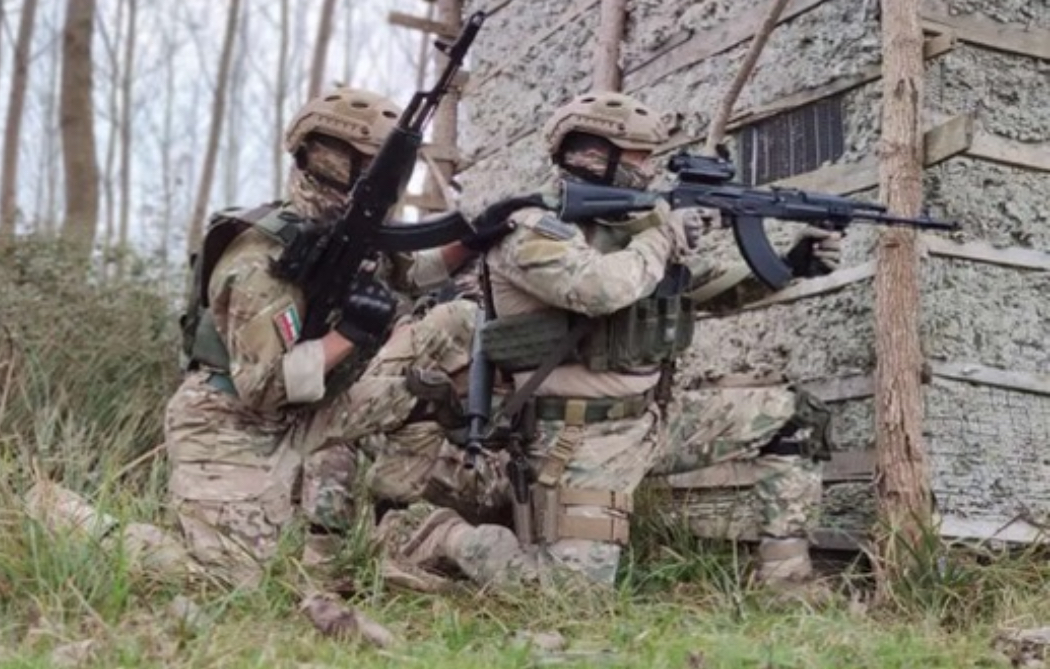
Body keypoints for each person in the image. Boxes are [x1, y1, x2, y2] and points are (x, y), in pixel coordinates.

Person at [26, 86, 513, 593]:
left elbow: (413, 274)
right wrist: (349, 335)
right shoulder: (260, 258)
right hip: (228, 422)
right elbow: (262, 386)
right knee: (229, 583)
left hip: (309, 412)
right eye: (368, 166)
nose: (384, 182)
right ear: (322, 160)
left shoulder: (353, 238)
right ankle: (62, 513)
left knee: (426, 383)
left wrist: (475, 239)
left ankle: (382, 538)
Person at [377, 91, 841, 591]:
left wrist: (789, 266)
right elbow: (600, 289)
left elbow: (702, 290)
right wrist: (664, 235)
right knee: (570, 594)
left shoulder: (632, 229)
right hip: (576, 439)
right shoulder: (530, 230)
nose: (651, 169)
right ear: (596, 155)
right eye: (640, 157)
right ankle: (440, 534)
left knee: (794, 415)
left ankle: (787, 581)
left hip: (654, 422)